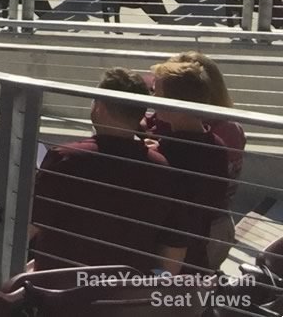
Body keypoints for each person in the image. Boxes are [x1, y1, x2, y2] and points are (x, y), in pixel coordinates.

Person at [29, 68, 199, 274]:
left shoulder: (66, 158)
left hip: (57, 292)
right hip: (124, 295)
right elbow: (175, 246)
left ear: (100, 107)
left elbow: (28, 226)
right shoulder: (162, 169)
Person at [145, 52, 244, 272]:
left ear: (176, 105)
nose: (151, 100)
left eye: (156, 94)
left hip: (178, 255)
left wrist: (156, 154)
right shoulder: (216, 144)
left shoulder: (170, 153)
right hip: (200, 244)